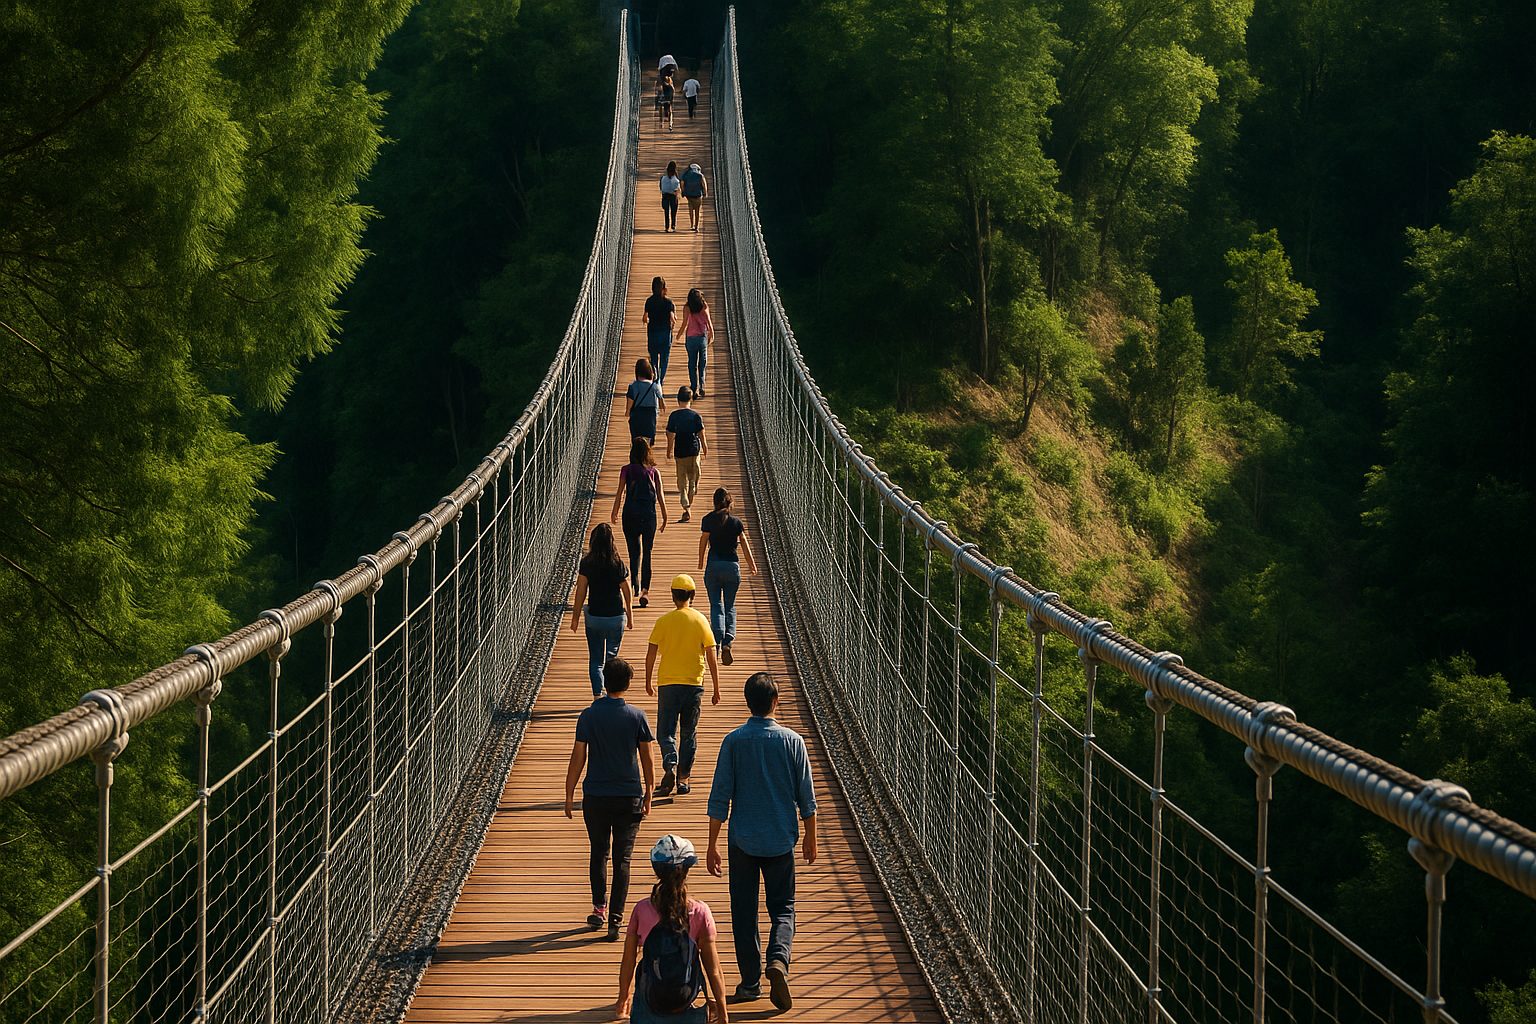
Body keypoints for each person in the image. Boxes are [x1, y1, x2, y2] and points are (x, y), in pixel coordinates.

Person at [706, 673, 817, 1011]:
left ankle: (751, 983)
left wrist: (711, 844)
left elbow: (720, 795)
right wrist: (811, 836)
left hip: (743, 840)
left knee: (743, 912)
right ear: (775, 702)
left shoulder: (734, 741)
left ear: (747, 702)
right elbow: (806, 797)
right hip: (781, 838)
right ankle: (779, 960)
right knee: (783, 907)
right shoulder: (793, 741)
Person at [565, 657, 655, 942]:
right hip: (629, 796)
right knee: (622, 859)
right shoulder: (637, 716)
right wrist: (650, 789)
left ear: (605, 683)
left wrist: (569, 792)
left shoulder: (588, 716)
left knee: (598, 852)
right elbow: (647, 756)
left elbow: (578, 756)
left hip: (595, 796)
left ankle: (599, 909)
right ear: (627, 684)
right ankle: (617, 918)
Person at [615, 835, 730, 1023]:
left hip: (650, 1002)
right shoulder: (700, 912)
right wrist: (722, 1009)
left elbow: (629, 959)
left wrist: (623, 996)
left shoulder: (642, 909)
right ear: (687, 870)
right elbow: (713, 968)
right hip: (686, 1001)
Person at [645, 574, 721, 798]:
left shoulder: (663, 621)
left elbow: (650, 654)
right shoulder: (701, 620)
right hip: (693, 684)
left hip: (668, 683)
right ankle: (684, 778)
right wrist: (716, 687)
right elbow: (711, 655)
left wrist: (647, 680)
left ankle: (670, 760)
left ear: (672, 596)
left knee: (665, 732)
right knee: (689, 733)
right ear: (693, 595)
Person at [570, 523, 635, 699]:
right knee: (611, 660)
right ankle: (610, 694)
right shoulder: (617, 563)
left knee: (596, 660)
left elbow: (581, 591)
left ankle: (598, 696)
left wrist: (575, 617)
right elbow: (627, 590)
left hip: (595, 618)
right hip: (615, 617)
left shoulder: (587, 563)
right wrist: (629, 614)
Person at [697, 488, 758, 666]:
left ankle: (716, 638)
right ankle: (728, 641)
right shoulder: (736, 522)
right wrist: (752, 564)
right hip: (732, 567)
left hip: (714, 566)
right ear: (730, 503)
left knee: (716, 604)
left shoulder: (707, 520)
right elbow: (745, 544)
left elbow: (703, 541)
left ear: (714, 502)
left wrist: (701, 561)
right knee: (730, 605)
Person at [612, 437, 669, 608]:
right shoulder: (654, 472)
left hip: (630, 513)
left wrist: (614, 511)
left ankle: (634, 582)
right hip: (649, 515)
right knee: (648, 552)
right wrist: (665, 515)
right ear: (647, 452)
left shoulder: (626, 470)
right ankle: (645, 590)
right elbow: (660, 496)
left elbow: (620, 492)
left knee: (633, 551)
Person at [665, 387, 707, 523]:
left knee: (681, 479)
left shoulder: (674, 416)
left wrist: (669, 450)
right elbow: (701, 433)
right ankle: (691, 492)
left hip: (680, 452)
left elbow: (670, 435)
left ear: (678, 400)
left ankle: (685, 502)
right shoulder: (696, 416)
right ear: (691, 400)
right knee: (694, 477)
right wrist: (705, 447)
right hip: (694, 451)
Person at [677, 287, 713, 393]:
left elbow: (684, 324)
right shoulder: (704, 306)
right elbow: (708, 321)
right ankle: (702, 385)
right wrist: (712, 334)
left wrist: (678, 335)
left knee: (692, 364)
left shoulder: (687, 307)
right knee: (702, 363)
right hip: (702, 338)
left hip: (691, 338)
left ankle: (693, 386)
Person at [642, 277, 676, 383]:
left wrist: (647, 321)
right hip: (665, 333)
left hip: (653, 332)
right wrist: (673, 322)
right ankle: (660, 381)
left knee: (654, 357)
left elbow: (645, 317)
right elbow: (672, 318)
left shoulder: (649, 301)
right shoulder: (668, 303)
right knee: (664, 359)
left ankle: (655, 377)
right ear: (664, 288)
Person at [626, 356, 665, 443]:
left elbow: (630, 401)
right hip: (650, 415)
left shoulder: (633, 386)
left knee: (636, 438)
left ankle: (636, 453)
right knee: (648, 438)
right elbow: (661, 401)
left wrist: (627, 411)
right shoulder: (655, 386)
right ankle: (647, 453)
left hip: (637, 414)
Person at [679, 164, 708, 234]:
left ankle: (692, 224)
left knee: (691, 209)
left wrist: (683, 192)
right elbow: (704, 184)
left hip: (689, 195)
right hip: (698, 195)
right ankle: (696, 227)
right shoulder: (700, 175)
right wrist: (705, 192)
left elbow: (682, 183)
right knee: (697, 211)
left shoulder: (686, 174)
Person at [659, 161, 682, 233]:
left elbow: (660, 187)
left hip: (665, 195)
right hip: (673, 196)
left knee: (666, 211)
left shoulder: (663, 178)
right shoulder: (676, 179)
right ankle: (673, 225)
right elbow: (678, 188)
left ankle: (666, 226)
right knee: (673, 211)